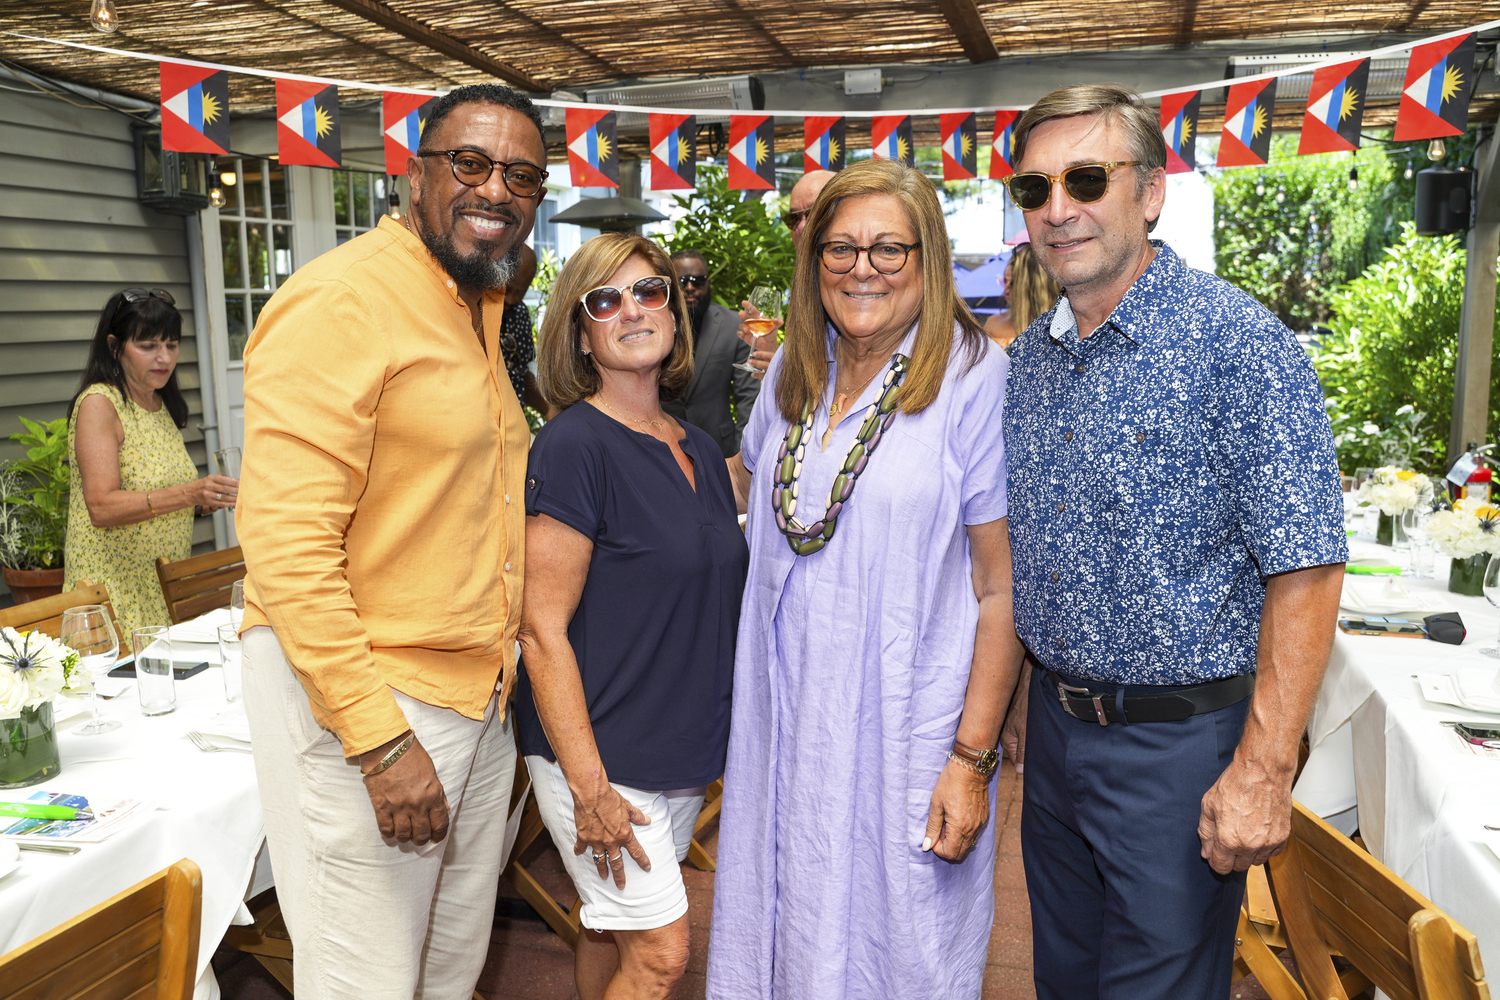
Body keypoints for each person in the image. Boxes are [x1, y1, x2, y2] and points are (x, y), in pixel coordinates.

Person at [998, 84, 1347, 999]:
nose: (1057, 208)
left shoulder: (1238, 344)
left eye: (1084, 178)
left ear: (1150, 193)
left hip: (1182, 750)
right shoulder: (1031, 361)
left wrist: (1265, 771)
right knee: (1064, 983)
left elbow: (1306, 567)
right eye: (1034, 189)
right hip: (1059, 740)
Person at [235, 83, 545, 1000]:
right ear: (415, 174)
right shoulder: (342, 299)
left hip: (474, 699)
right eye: (471, 163)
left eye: (521, 175)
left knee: (446, 972)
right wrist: (377, 743)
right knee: (363, 981)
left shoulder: (473, 303)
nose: (495, 190)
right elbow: (286, 545)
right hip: (372, 705)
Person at [708, 158, 1025, 999]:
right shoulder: (792, 372)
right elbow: (748, 488)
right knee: (782, 922)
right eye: (841, 249)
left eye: (890, 249)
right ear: (813, 263)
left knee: (902, 949)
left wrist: (970, 758)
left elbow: (1002, 590)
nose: (863, 268)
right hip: (785, 718)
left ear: (930, 257)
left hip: (904, 724)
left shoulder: (972, 379)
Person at [517, 233, 747, 1000]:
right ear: (581, 333)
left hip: (679, 750)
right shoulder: (574, 445)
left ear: (676, 312)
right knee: (660, 956)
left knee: (607, 926)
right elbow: (540, 628)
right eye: (605, 301)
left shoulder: (695, 444)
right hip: (601, 755)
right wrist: (590, 788)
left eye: (651, 291)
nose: (634, 310)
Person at [64, 288, 237, 635]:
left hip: (159, 584)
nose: (164, 358)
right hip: (112, 590)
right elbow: (101, 506)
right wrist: (189, 494)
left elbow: (154, 492)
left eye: (171, 345)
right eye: (148, 346)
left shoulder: (157, 403)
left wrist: (203, 502)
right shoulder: (100, 404)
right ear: (115, 347)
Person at [736, 169, 836, 380]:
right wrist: (773, 353)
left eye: (814, 213)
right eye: (793, 219)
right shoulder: (806, 281)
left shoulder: (864, 282)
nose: (801, 226)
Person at [660, 249, 760, 456]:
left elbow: (748, 398)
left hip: (719, 449)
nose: (690, 288)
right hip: (662, 449)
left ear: (708, 283)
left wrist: (743, 456)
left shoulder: (735, 326)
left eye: (698, 281)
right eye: (682, 281)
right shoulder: (652, 327)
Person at [499, 242, 553, 417]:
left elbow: (520, 373)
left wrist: (549, 410)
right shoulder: (471, 310)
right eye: (507, 288)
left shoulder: (519, 312)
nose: (511, 299)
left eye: (520, 292)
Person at [983, 243, 1059, 350]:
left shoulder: (1064, 328)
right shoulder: (993, 324)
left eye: (1013, 281)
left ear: (1033, 285)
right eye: (1004, 280)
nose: (1007, 288)